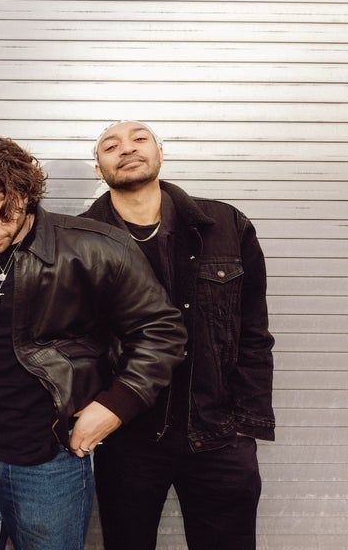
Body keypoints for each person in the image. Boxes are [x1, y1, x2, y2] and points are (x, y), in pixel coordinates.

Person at [0, 137, 186, 550]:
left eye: (2, 214)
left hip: (50, 462)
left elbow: (162, 330)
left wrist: (116, 405)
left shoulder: (94, 247)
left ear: (26, 195)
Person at [82, 120, 275, 550]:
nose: (126, 149)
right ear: (98, 169)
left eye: (139, 139)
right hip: (126, 439)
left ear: (160, 152)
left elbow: (254, 333)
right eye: (111, 146)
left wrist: (244, 425)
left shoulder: (224, 224)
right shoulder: (79, 239)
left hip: (217, 434)